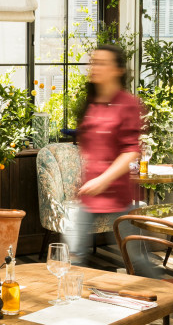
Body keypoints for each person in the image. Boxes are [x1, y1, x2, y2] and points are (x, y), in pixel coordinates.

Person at [67, 43, 157, 275]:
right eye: (93, 62)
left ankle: (168, 295)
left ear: (117, 70)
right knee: (74, 257)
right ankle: (75, 307)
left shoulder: (128, 104)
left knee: (134, 260)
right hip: (89, 196)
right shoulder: (92, 103)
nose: (94, 67)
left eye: (101, 63)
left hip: (118, 196)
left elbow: (131, 151)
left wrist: (103, 180)